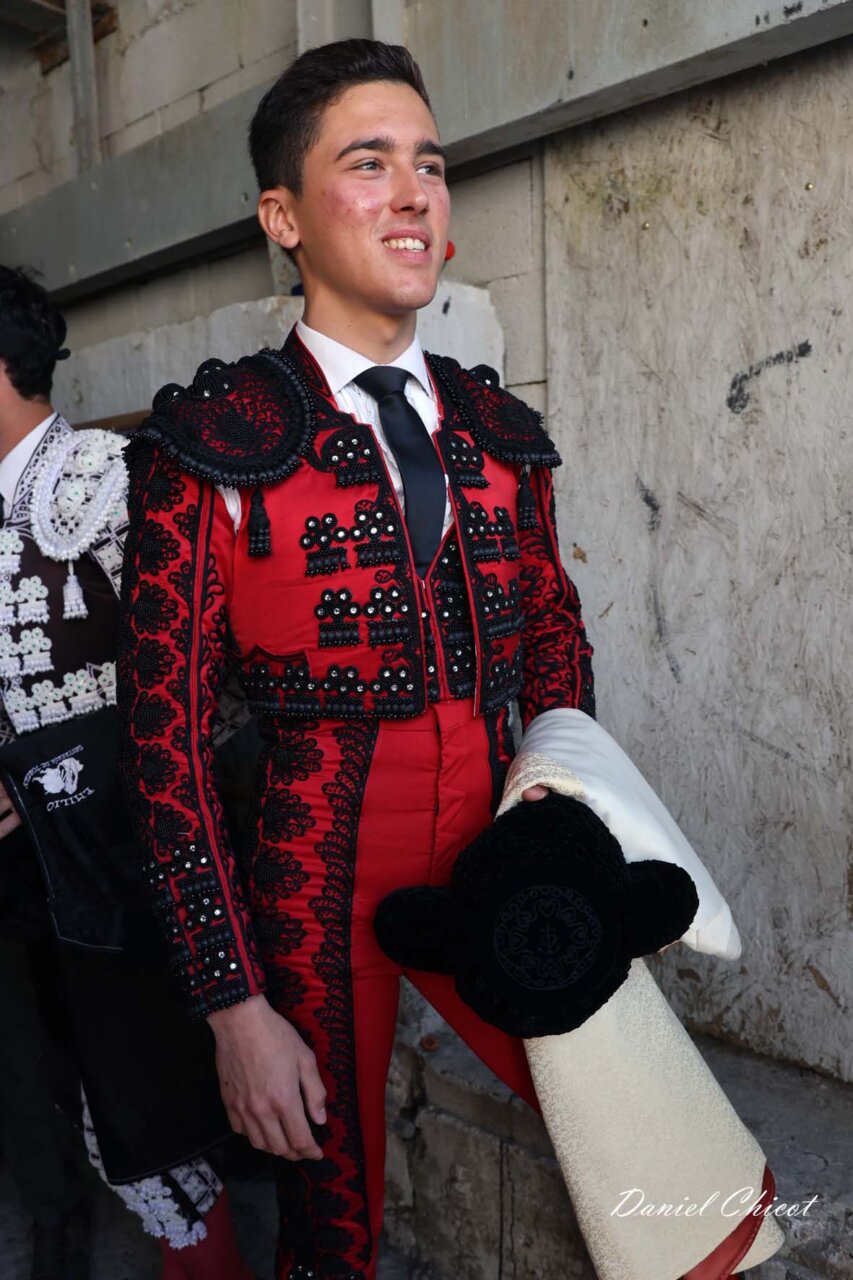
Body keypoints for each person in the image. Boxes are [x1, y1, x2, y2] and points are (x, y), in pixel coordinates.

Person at [116, 39, 746, 1280]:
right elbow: (165, 748)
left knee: (682, 1182)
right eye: (369, 163)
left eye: (432, 164)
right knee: (333, 1227)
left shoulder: (499, 428)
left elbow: (553, 639)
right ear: (283, 217)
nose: (413, 193)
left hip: (499, 848)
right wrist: (233, 1006)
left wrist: (558, 834)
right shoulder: (214, 442)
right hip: (306, 884)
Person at [0, 265, 254, 1280]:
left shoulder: (114, 478)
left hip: (127, 856)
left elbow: (216, 685)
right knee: (79, 1097)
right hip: (27, 878)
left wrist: (37, 779)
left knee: (151, 1117)